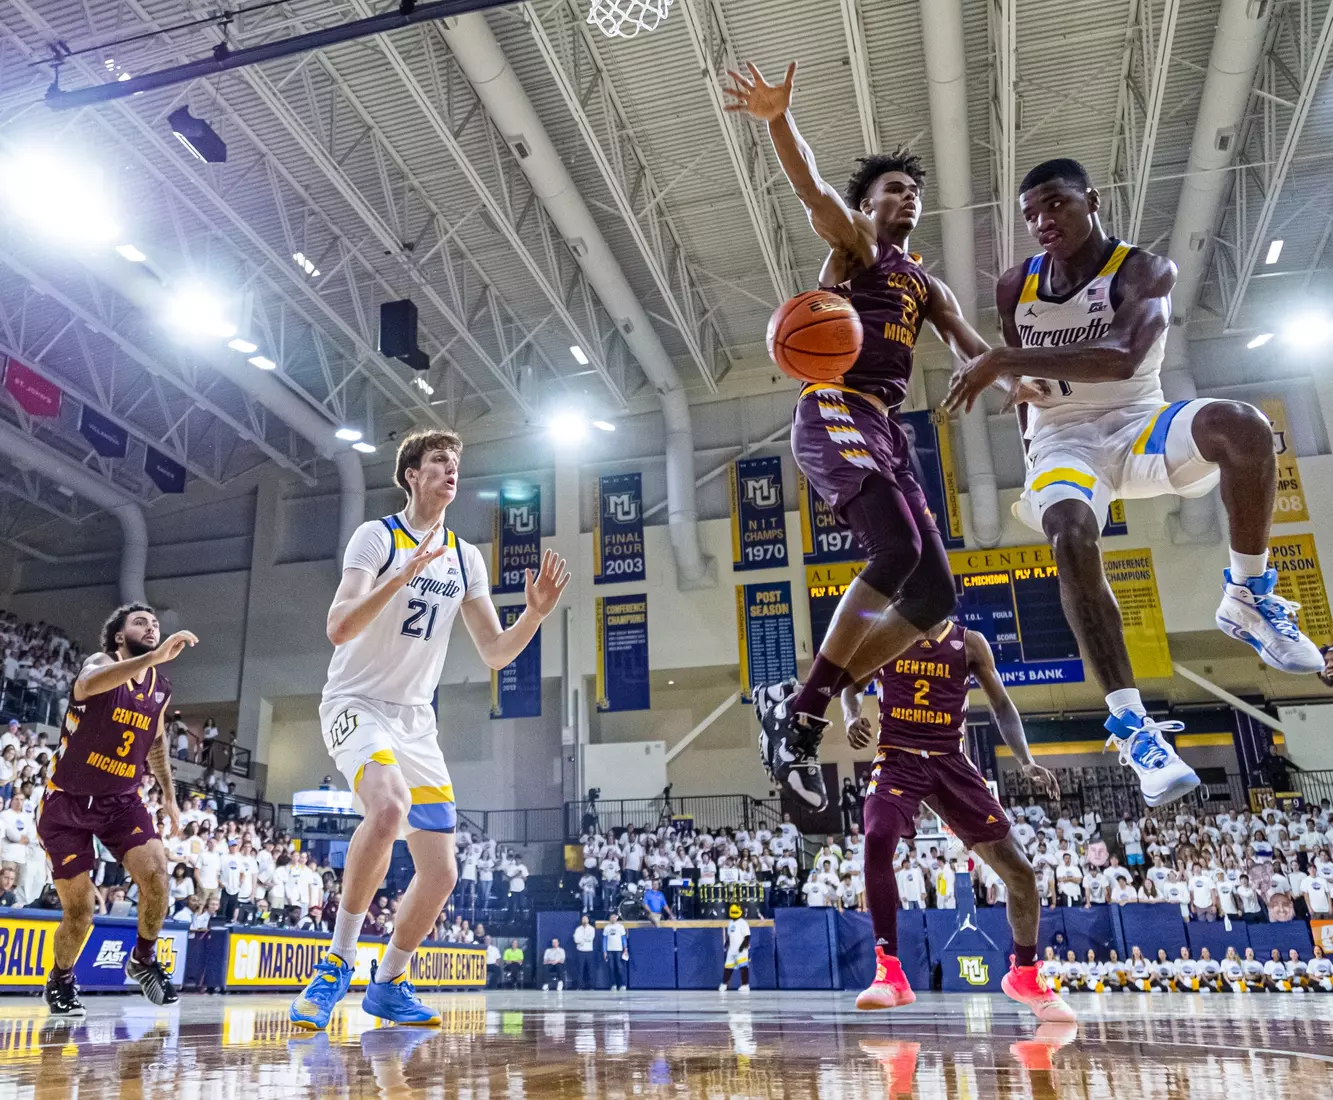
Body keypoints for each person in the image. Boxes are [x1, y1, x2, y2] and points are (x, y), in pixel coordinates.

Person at [946, 157, 1323, 807]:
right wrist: (1013, 380)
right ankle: (1134, 727)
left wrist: (1006, 358)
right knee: (1069, 534)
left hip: (1138, 423)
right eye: (1030, 214)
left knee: (1243, 426)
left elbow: (1121, 357)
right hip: (1062, 440)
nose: (1042, 221)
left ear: (1091, 200)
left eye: (1055, 204)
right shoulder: (1016, 285)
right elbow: (1023, 371)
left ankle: (1247, 593)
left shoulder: (1143, 270)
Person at [723, 61, 998, 812]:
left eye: (913, 191)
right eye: (893, 189)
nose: (907, 197)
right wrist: (779, 121)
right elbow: (811, 190)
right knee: (896, 550)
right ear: (869, 204)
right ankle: (804, 713)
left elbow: (971, 345)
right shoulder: (858, 245)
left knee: (935, 594)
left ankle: (797, 704)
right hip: (834, 404)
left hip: (886, 426)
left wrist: (1020, 381)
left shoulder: (926, 283)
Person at [289, 429, 571, 1031]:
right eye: (440, 461)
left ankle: (389, 981)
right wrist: (400, 576)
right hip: (356, 701)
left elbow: (495, 652)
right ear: (412, 474)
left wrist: (534, 615)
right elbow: (338, 627)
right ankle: (337, 961)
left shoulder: (466, 558)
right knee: (388, 807)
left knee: (442, 872)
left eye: (456, 463)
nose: (451, 470)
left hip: (416, 721)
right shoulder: (377, 537)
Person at [841, 620, 1074, 1023]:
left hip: (950, 760)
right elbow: (850, 684)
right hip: (897, 757)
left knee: (1020, 873)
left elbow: (1002, 705)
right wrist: (851, 716)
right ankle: (889, 971)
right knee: (877, 836)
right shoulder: (886, 636)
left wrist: (1025, 760)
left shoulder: (969, 643)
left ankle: (1025, 974)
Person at [34, 603, 194, 1015]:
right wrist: (151, 658)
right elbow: (88, 682)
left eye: (155, 623)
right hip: (66, 802)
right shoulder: (101, 664)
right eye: (141, 622)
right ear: (120, 636)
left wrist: (169, 795)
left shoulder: (159, 687)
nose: (152, 627)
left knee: (157, 875)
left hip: (121, 801)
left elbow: (156, 741)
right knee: (80, 909)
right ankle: (61, 979)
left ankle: (143, 958)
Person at [719, 903, 751, 993]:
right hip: (732, 950)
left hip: (741, 949)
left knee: (743, 967)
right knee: (728, 968)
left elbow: (747, 936)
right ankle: (724, 984)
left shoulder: (743, 923)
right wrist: (726, 944)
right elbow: (730, 935)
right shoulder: (730, 923)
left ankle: (745, 985)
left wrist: (743, 946)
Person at [603, 912, 628, 991]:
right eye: (611, 917)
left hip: (618, 950)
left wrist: (625, 948)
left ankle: (622, 984)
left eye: (614, 917)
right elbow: (604, 940)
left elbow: (623, 938)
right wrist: (604, 951)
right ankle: (613, 984)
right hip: (610, 950)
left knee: (619, 967)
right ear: (609, 918)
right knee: (611, 968)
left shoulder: (620, 927)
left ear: (616, 918)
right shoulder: (607, 927)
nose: (613, 918)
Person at [572, 914, 597, 989]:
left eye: (585, 919)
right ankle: (579, 986)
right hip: (580, 951)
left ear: (588, 920)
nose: (584, 920)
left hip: (589, 951)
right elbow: (576, 939)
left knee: (590, 969)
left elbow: (590, 938)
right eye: (583, 919)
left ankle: (591, 986)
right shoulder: (578, 929)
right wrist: (583, 939)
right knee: (580, 970)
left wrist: (581, 939)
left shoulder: (591, 929)